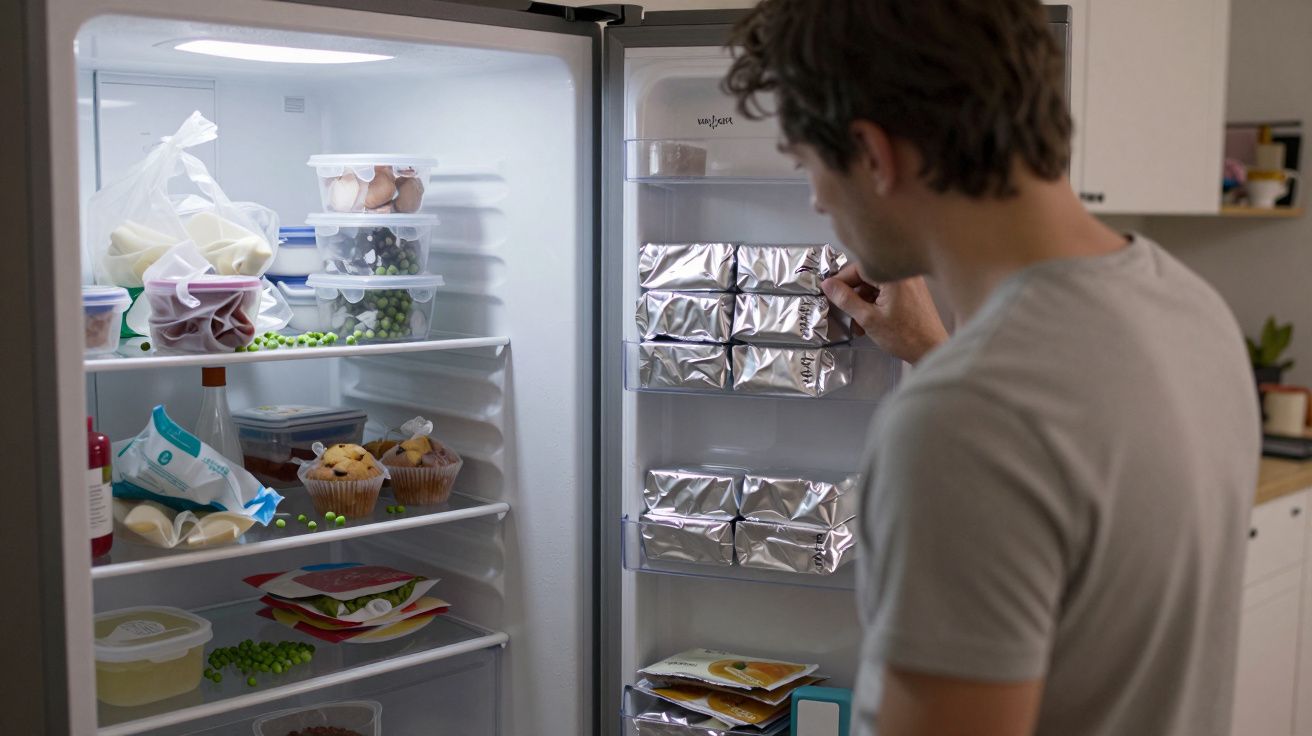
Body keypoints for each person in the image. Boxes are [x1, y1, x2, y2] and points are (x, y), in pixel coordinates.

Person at [724, 2, 1260, 735]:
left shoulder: (963, 422)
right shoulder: (1189, 307)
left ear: (874, 154)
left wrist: (953, 383)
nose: (816, 198)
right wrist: (939, 356)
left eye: (807, 165)